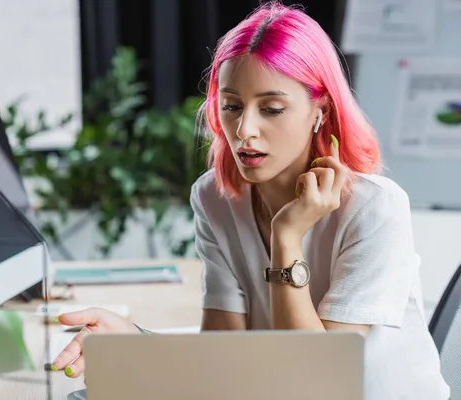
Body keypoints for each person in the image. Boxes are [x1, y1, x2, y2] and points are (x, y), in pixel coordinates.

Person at [52, 2, 450, 398]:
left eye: (272, 108)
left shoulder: (374, 208)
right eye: (231, 106)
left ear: (320, 108)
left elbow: (317, 382)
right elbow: (224, 358)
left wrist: (287, 236)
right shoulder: (214, 197)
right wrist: (132, 342)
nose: (244, 130)